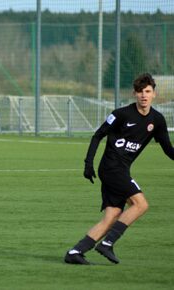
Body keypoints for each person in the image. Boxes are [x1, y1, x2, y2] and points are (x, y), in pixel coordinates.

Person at [64, 73, 174, 264]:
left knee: (112, 216)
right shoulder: (120, 114)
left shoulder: (157, 120)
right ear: (134, 94)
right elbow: (98, 136)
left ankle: (75, 252)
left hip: (121, 170)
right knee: (141, 204)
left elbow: (168, 150)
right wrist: (88, 164)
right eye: (140, 92)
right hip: (111, 168)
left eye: (147, 91)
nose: (143, 95)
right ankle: (107, 243)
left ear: (154, 94)